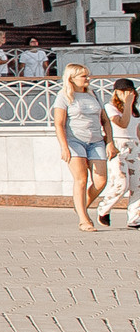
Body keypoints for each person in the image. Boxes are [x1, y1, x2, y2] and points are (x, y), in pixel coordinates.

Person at [55, 63, 111, 231]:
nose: (88, 78)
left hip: (95, 141)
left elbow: (105, 120)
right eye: (83, 76)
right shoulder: (64, 96)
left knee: (101, 181)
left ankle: (81, 205)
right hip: (74, 142)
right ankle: (83, 219)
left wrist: (110, 142)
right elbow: (59, 124)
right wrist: (64, 147)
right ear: (72, 78)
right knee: (81, 180)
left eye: (87, 75)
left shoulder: (93, 94)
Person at [99, 79, 140, 229]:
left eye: (131, 91)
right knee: (121, 183)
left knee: (137, 185)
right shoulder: (110, 108)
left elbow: (137, 129)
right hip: (118, 146)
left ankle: (134, 219)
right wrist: (127, 104)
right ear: (117, 92)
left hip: (135, 147)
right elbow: (122, 123)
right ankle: (104, 209)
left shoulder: (135, 110)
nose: (129, 94)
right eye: (124, 91)